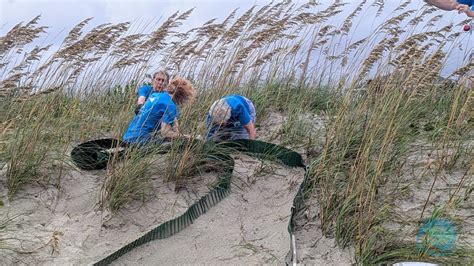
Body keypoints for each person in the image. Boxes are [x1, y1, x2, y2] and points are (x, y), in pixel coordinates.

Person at [123, 77, 195, 144]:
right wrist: (189, 137)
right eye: (186, 98)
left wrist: (179, 134)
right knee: (173, 145)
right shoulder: (169, 105)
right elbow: (165, 133)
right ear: (182, 96)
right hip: (140, 140)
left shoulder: (156, 95)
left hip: (127, 137)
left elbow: (174, 123)